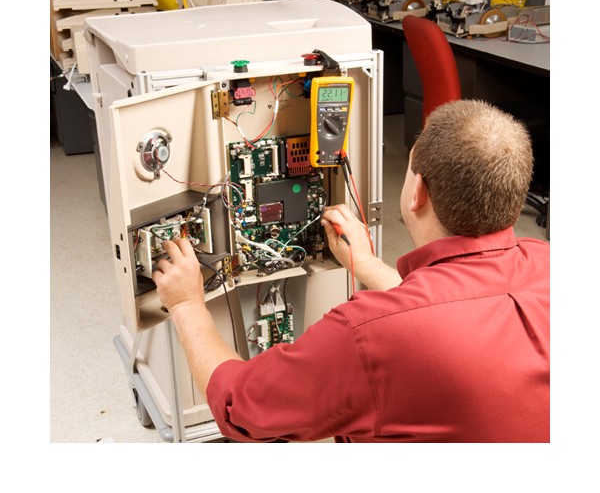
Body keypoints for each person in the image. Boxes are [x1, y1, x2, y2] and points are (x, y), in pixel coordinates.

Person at [152, 99, 549, 442]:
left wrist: (186, 304)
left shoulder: (367, 333)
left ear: (418, 192)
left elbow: (237, 406)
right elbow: (460, 307)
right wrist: (369, 265)